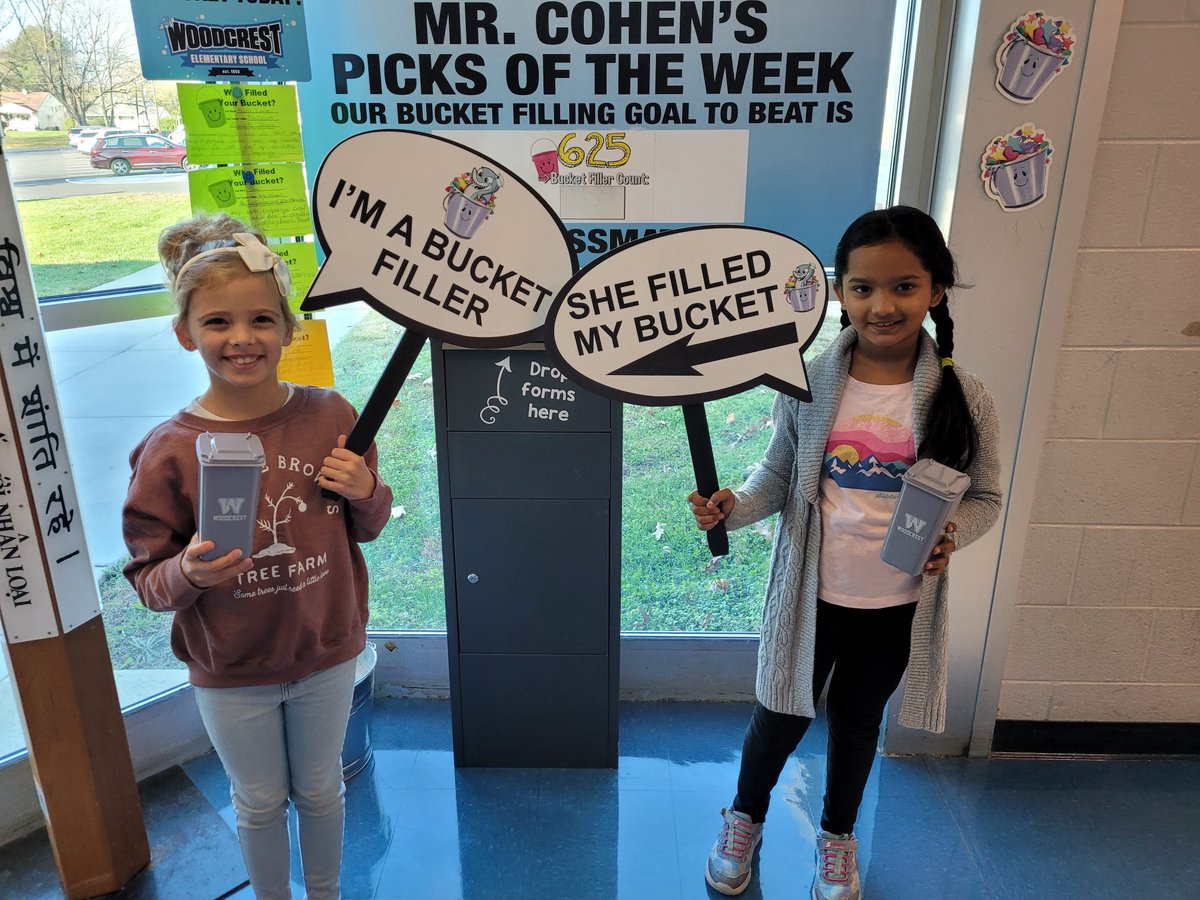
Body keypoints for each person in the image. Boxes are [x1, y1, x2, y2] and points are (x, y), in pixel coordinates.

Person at [690, 206, 1002, 899]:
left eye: (904, 287)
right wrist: (733, 510)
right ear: (839, 292)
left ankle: (836, 836)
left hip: (897, 604)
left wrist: (953, 537)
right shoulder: (808, 380)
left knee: (859, 723)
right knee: (779, 716)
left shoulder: (964, 398)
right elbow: (777, 475)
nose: (882, 306)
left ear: (936, 291)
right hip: (813, 594)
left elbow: (985, 497)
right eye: (862, 287)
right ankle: (745, 817)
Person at [123, 213, 394, 900]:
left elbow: (370, 525)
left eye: (261, 320)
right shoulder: (169, 450)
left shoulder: (333, 416)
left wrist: (367, 490)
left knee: (323, 788)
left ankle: (326, 892)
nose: (241, 339)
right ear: (187, 334)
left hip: (325, 650)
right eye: (217, 322)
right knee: (258, 800)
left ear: (289, 328)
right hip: (231, 664)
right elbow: (148, 580)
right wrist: (186, 572)